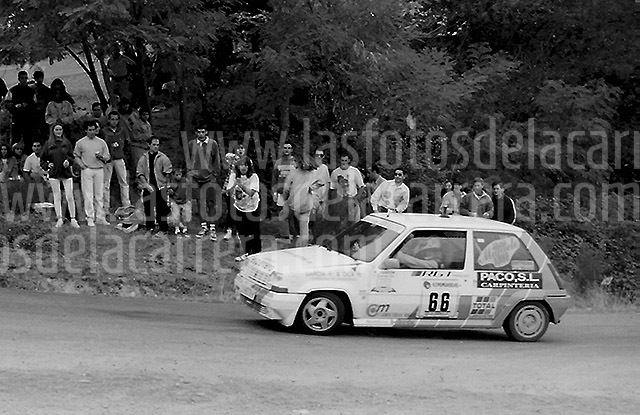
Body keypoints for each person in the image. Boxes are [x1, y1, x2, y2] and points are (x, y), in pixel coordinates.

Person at [41, 123, 79, 228]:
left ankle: (73, 218)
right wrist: (48, 165)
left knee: (69, 196)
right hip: (54, 173)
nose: (58, 132)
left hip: (66, 173)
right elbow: (42, 160)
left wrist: (68, 161)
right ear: (53, 131)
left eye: (60, 129)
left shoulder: (67, 143)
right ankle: (59, 218)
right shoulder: (48, 144)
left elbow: (72, 156)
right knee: (57, 196)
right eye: (56, 130)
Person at [186, 126, 221, 241]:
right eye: (199, 132)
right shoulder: (191, 144)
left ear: (206, 132)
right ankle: (203, 226)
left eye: (203, 132)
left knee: (211, 202)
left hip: (209, 177)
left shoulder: (212, 144)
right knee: (200, 202)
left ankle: (212, 228)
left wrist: (215, 175)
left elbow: (216, 160)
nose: (201, 134)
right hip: (196, 178)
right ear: (196, 132)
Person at [74, 120, 111, 226]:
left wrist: (101, 157)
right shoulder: (80, 143)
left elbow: (107, 156)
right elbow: (76, 155)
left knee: (99, 194)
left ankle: (100, 217)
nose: (92, 132)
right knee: (88, 195)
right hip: (87, 169)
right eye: (89, 130)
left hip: (99, 169)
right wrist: (82, 165)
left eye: (93, 130)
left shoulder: (101, 142)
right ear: (86, 130)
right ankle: (90, 217)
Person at [226, 157, 261, 262]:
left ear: (249, 166)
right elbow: (228, 192)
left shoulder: (253, 177)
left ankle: (256, 252)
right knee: (242, 231)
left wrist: (241, 184)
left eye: (246, 165)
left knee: (254, 231)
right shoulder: (233, 176)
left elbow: (251, 193)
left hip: (252, 206)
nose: (243, 167)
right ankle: (247, 252)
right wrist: (234, 184)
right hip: (239, 206)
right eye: (241, 165)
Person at [283, 154, 322, 247]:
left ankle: (294, 242)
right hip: (306, 203)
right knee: (304, 228)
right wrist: (311, 188)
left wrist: (285, 199)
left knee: (292, 225)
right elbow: (321, 182)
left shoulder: (293, 173)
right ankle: (302, 247)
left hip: (294, 203)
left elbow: (286, 188)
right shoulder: (312, 173)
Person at [136, 136, 172, 234]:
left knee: (162, 208)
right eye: (154, 145)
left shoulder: (163, 158)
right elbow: (139, 173)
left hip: (160, 186)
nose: (156, 147)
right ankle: (149, 228)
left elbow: (168, 172)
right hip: (148, 186)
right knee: (148, 208)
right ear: (149, 145)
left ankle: (163, 229)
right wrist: (145, 184)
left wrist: (166, 186)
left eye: (157, 145)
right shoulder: (143, 158)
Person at [101, 111, 132, 217]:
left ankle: (126, 205)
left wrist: (125, 155)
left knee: (123, 181)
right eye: (112, 119)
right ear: (109, 120)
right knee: (106, 183)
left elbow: (127, 143)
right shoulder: (104, 131)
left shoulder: (122, 130)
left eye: (116, 119)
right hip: (108, 159)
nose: (114, 122)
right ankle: (105, 208)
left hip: (119, 157)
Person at [329, 152, 365, 224]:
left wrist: (356, 199)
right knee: (342, 223)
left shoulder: (354, 171)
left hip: (352, 199)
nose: (344, 162)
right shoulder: (335, 172)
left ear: (349, 161)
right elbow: (332, 189)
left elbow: (361, 186)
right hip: (340, 201)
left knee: (354, 223)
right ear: (340, 160)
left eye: (345, 160)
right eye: (342, 160)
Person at [271, 141, 296, 240]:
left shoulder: (295, 162)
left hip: (293, 192)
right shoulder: (278, 162)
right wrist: (274, 192)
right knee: (282, 212)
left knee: (293, 213)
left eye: (289, 148)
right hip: (281, 192)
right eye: (285, 148)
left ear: (292, 150)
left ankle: (294, 233)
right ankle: (284, 234)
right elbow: (274, 178)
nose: (287, 150)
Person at [3, 71, 35, 149]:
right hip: (16, 118)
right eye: (22, 78)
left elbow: (35, 104)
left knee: (28, 139)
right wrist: (15, 107)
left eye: (25, 78)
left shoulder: (31, 91)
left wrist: (27, 105)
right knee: (15, 139)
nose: (24, 80)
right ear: (19, 79)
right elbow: (7, 103)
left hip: (28, 119)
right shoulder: (13, 90)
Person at [222, 143, 245, 241]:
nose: (240, 150)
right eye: (238, 148)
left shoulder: (248, 161)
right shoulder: (233, 160)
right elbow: (226, 156)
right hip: (230, 187)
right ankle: (229, 230)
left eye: (242, 148)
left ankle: (240, 231)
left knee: (241, 210)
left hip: (241, 188)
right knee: (231, 209)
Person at [167, 168, 192, 237]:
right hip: (175, 201)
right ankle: (177, 228)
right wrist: (170, 200)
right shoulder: (171, 182)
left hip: (185, 200)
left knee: (186, 215)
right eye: (177, 175)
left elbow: (189, 190)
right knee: (176, 216)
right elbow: (169, 192)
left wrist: (189, 199)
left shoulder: (185, 181)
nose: (179, 176)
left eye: (180, 174)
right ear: (173, 175)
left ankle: (185, 229)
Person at [30, 70, 52, 140]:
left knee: (44, 131)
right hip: (33, 113)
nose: (39, 80)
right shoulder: (30, 89)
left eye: (41, 78)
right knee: (34, 132)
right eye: (38, 78)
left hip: (43, 113)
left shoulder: (46, 89)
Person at [130, 107, 152, 173]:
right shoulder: (137, 124)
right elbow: (135, 137)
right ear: (140, 115)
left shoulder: (148, 124)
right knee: (138, 166)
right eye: (144, 115)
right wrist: (146, 137)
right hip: (137, 147)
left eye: (147, 114)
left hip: (145, 147)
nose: (145, 116)